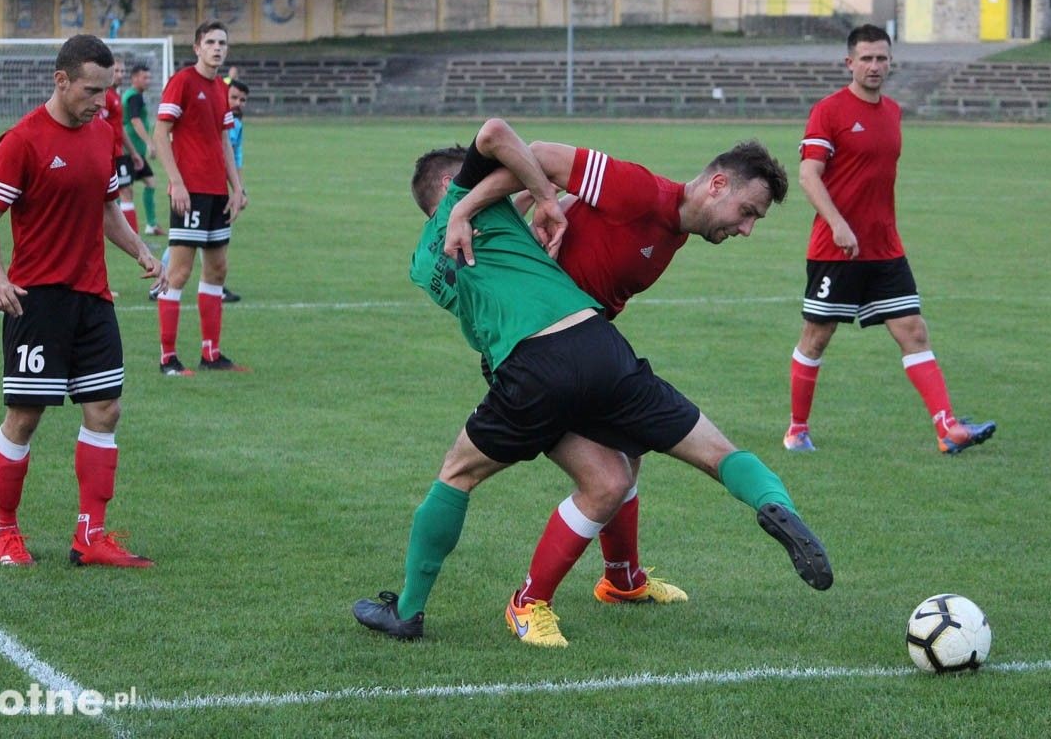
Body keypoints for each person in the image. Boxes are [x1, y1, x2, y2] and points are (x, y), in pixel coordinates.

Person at [353, 119, 831, 648]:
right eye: (748, 214)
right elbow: (499, 137)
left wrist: (521, 205)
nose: (746, 229)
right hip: (596, 349)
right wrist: (525, 199)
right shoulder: (614, 192)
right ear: (452, 186)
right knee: (684, 458)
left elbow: (503, 228)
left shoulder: (424, 264)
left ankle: (414, 611)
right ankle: (774, 500)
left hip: (529, 365)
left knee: (462, 473)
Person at [437, 132, 791, 610]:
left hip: (581, 355)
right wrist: (473, 209)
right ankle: (528, 603)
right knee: (605, 482)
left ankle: (623, 580)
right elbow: (539, 155)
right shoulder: (640, 191)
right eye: (747, 212)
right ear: (718, 184)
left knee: (630, 448)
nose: (747, 229)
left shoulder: (673, 234)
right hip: (535, 356)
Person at [0, 34, 164, 568]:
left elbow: (106, 209)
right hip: (36, 301)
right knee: (25, 416)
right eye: (91, 89)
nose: (101, 101)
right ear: (61, 81)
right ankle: (5, 531)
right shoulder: (23, 140)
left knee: (105, 409)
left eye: (106, 90)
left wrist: (141, 251)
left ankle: (91, 536)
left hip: (93, 297)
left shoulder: (103, 135)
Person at [783, 24, 995, 455]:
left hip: (884, 248)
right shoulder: (829, 111)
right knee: (816, 337)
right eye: (866, 58)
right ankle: (797, 430)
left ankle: (947, 428)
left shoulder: (893, 112)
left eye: (882, 58)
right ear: (849, 63)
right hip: (835, 249)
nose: (875, 66)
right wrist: (838, 223)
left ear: (891, 61)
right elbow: (808, 174)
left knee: (914, 331)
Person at [153, 20, 247, 376]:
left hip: (216, 194)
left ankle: (211, 354)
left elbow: (223, 141)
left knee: (218, 270)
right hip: (189, 194)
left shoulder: (221, 90)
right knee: (178, 272)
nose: (217, 48)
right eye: (210, 42)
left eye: (222, 42)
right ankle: (168, 359)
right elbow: (161, 134)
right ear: (197, 47)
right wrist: (176, 182)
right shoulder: (182, 82)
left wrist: (237, 187)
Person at [102, 56, 144, 233]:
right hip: (109, 154)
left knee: (118, 194)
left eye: (122, 71)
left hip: (118, 152)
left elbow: (119, 128)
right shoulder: (105, 96)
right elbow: (98, 125)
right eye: (116, 71)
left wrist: (133, 152)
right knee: (125, 193)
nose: (120, 75)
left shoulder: (116, 95)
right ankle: (133, 237)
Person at [122, 63, 164, 236]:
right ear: (134, 78)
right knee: (124, 191)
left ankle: (151, 224)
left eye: (149, 77)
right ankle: (124, 228)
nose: (148, 81)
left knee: (149, 182)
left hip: (134, 152)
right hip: (129, 151)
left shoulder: (133, 95)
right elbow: (135, 120)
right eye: (144, 77)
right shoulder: (134, 97)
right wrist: (150, 143)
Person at [218, 79, 250, 304]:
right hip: (202, 185)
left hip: (220, 187)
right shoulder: (216, 119)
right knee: (189, 242)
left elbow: (236, 158)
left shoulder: (237, 124)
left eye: (243, 100)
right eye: (234, 98)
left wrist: (240, 190)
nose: (238, 103)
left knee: (199, 241)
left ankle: (217, 286)